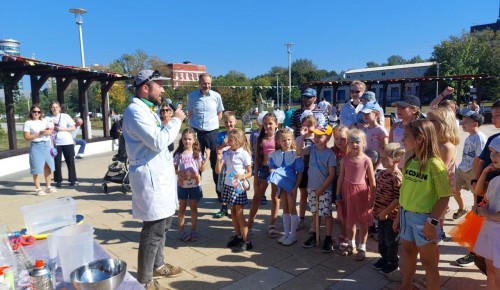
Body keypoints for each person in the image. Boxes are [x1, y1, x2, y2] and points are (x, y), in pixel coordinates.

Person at [122, 69, 185, 289]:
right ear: (145, 87)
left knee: (164, 223)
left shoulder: (149, 110)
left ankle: (157, 265)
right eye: (160, 84)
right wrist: (176, 121)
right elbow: (158, 141)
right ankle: (144, 278)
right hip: (150, 179)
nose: (163, 89)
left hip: (160, 176)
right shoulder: (135, 111)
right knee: (154, 228)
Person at [392, 120, 451, 290]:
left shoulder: (435, 165)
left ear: (420, 139)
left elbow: (444, 197)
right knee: (408, 254)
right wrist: (398, 215)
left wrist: (431, 223)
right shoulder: (410, 160)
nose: (403, 140)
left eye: (406, 136)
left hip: (424, 219)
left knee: (428, 263)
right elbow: (406, 191)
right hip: (406, 215)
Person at [336, 129, 376, 260]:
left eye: (357, 142)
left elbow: (371, 180)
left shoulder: (367, 160)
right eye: (351, 142)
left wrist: (372, 198)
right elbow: (341, 178)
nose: (354, 145)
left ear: (363, 143)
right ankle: (350, 243)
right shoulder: (345, 159)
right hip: (347, 192)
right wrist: (338, 195)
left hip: (361, 193)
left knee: (363, 222)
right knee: (349, 221)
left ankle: (362, 247)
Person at [297, 124, 336, 253]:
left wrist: (322, 188)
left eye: (320, 136)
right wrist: (302, 136)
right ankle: (315, 235)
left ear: (328, 137)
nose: (317, 138)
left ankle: (328, 238)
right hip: (312, 188)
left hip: (325, 189)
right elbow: (298, 152)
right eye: (316, 136)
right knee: (315, 213)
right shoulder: (311, 149)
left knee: (326, 214)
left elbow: (331, 175)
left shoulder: (330, 154)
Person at [187, 73, 224, 204]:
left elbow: (220, 114)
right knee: (196, 163)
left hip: (212, 133)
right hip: (196, 132)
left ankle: (220, 195)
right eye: (204, 83)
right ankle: (195, 193)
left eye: (208, 83)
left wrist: (211, 124)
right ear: (199, 83)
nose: (206, 85)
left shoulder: (216, 96)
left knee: (215, 164)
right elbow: (189, 114)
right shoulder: (191, 97)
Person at [215, 129, 253, 252]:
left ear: (239, 141)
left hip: (238, 187)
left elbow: (249, 172)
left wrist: (242, 176)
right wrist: (219, 157)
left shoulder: (244, 154)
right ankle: (238, 236)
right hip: (228, 185)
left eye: (230, 140)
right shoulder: (227, 153)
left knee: (240, 215)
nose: (227, 142)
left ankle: (247, 241)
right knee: (233, 213)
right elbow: (218, 171)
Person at [472, 136, 500, 290]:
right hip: (491, 231)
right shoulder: (496, 178)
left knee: (497, 272)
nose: (493, 157)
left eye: (498, 153)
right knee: (490, 270)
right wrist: (484, 172)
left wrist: (485, 213)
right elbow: (479, 192)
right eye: (491, 152)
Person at [268, 128, 304, 246]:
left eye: (289, 139)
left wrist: (295, 187)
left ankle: (293, 235)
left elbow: (300, 172)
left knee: (292, 208)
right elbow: (271, 168)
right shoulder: (275, 155)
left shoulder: (295, 154)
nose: (287, 142)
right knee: (285, 208)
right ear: (278, 141)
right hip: (281, 186)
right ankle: (287, 233)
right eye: (283, 140)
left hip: (291, 186)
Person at [372, 143, 404, 275]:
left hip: (390, 216)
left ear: (397, 159)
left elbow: (398, 199)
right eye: (381, 157)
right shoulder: (382, 173)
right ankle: (384, 258)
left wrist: (386, 212)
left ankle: (392, 261)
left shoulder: (396, 177)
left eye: (386, 158)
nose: (382, 161)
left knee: (391, 240)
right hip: (380, 214)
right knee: (381, 238)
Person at [174, 128, 210, 242]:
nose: (187, 141)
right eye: (185, 139)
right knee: (182, 209)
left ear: (194, 140)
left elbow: (202, 168)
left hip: (194, 186)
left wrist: (208, 156)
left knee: (194, 208)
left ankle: (193, 230)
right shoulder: (179, 154)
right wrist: (181, 173)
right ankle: (181, 231)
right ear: (182, 140)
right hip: (182, 186)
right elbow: (174, 169)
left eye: (189, 139)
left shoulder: (197, 154)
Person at [247, 112, 279, 238]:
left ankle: (272, 224)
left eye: (270, 123)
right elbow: (256, 158)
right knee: (257, 198)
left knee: (275, 198)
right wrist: (255, 177)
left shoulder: (279, 137)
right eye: (265, 124)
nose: (267, 126)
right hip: (263, 170)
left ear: (276, 124)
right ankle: (249, 224)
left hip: (276, 171)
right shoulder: (260, 138)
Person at [23, 104, 56, 196]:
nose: (36, 113)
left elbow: (50, 131)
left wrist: (49, 132)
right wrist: (40, 133)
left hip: (46, 145)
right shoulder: (28, 123)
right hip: (36, 146)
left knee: (48, 166)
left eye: (39, 112)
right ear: (31, 112)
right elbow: (26, 137)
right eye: (34, 111)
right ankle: (38, 189)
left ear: (41, 113)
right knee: (37, 168)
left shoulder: (44, 121)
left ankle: (48, 186)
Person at [46, 101, 77, 188]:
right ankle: (58, 180)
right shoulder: (47, 118)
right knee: (56, 163)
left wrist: (62, 129)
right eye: (53, 107)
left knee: (70, 161)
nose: (55, 109)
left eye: (56, 107)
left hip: (67, 142)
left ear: (59, 108)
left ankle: (72, 179)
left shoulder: (65, 116)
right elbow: (45, 129)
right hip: (55, 143)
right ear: (50, 108)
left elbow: (73, 127)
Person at [213, 111, 237, 218]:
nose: (229, 124)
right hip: (223, 165)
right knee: (223, 185)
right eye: (226, 122)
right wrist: (224, 144)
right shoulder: (221, 135)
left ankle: (234, 208)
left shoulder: (238, 134)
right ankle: (223, 208)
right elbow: (217, 150)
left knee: (234, 186)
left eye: (231, 122)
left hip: (235, 166)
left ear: (235, 122)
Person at [296, 114, 317, 231]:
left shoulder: (317, 138)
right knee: (303, 195)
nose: (306, 128)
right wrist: (302, 138)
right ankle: (302, 219)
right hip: (303, 169)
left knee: (313, 196)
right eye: (304, 125)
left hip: (314, 170)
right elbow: (298, 153)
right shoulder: (300, 138)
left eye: (309, 126)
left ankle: (315, 220)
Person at [389, 95, 421, 168]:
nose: (398, 110)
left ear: (414, 110)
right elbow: (390, 147)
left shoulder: (419, 128)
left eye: (403, 107)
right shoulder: (395, 126)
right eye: (397, 107)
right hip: (396, 166)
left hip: (413, 167)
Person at [331, 125, 349, 248]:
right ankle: (343, 235)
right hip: (336, 181)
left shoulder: (352, 152)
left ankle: (348, 237)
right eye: (336, 138)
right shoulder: (333, 151)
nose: (339, 142)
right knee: (340, 210)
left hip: (348, 184)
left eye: (342, 139)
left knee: (348, 212)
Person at [361, 103, 388, 171]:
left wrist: (376, 166)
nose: (365, 116)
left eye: (367, 113)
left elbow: (384, 149)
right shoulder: (364, 130)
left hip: (378, 166)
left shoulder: (381, 130)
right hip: (366, 164)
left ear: (376, 114)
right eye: (363, 114)